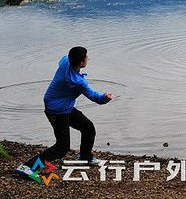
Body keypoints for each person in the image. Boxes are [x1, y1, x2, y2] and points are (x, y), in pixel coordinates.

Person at [15, 47, 113, 177]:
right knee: (62, 148)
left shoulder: (66, 61)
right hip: (56, 111)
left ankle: (85, 157)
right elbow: (96, 98)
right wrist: (106, 97)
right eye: (86, 57)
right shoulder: (77, 82)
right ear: (81, 63)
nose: (88, 58)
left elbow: (62, 59)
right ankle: (28, 167)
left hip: (63, 106)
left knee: (88, 127)